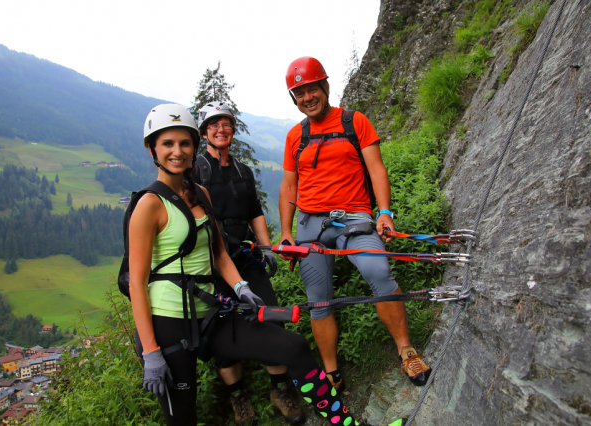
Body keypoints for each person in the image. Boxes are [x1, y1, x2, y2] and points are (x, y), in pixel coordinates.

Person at [130, 103, 405, 426]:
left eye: (184, 143)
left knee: (293, 346)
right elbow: (137, 282)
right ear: (152, 149)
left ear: (193, 145)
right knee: (182, 418)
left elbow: (218, 253)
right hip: (169, 323)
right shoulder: (148, 204)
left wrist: (241, 286)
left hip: (210, 316)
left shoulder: (200, 193)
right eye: (167, 144)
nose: (177, 151)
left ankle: (344, 422)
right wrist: (150, 351)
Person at [278, 57, 432, 391]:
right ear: (295, 98)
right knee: (318, 298)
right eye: (299, 93)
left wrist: (385, 212)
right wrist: (287, 233)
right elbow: (289, 187)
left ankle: (406, 349)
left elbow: (376, 168)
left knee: (378, 273)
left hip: (354, 216)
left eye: (311, 89)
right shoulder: (295, 137)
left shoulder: (354, 121)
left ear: (325, 87)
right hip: (309, 223)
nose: (307, 97)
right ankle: (331, 370)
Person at [194, 102, 304, 425]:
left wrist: (267, 249)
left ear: (232, 129)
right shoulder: (196, 170)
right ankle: (239, 398)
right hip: (212, 264)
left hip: (244, 257)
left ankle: (278, 389)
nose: (220, 129)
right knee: (223, 330)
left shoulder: (243, 172)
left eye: (225, 123)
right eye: (213, 125)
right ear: (204, 133)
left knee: (272, 317)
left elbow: (255, 211)